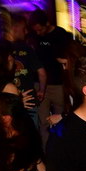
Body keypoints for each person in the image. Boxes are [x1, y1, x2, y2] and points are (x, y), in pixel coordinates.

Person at [29, 9, 73, 144]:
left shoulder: (60, 34)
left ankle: (60, 149)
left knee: (61, 120)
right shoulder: (34, 37)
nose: (38, 33)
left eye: (40, 29)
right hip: (40, 84)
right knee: (43, 122)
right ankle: (46, 150)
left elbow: (68, 57)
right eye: (36, 30)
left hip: (58, 84)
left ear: (47, 23)